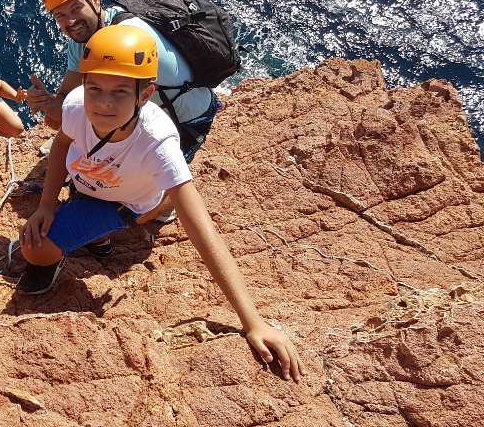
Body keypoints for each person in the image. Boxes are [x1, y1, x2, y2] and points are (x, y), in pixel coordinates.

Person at [17, 24, 305, 382]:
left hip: (121, 200)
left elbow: (202, 229)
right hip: (90, 181)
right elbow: (62, 144)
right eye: (96, 89)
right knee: (42, 226)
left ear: (145, 94)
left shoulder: (157, 142)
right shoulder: (78, 105)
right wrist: (46, 205)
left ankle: (103, 231)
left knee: (36, 249)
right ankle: (92, 234)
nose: (104, 102)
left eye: (120, 91)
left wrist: (252, 321)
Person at [28, 0, 221, 162]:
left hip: (188, 122)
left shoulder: (123, 39)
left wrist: (70, 128)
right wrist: (46, 102)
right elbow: (65, 102)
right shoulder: (82, 39)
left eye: (76, 8)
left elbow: (105, 110)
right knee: (58, 118)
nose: (71, 22)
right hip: (144, 110)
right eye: (60, 16)